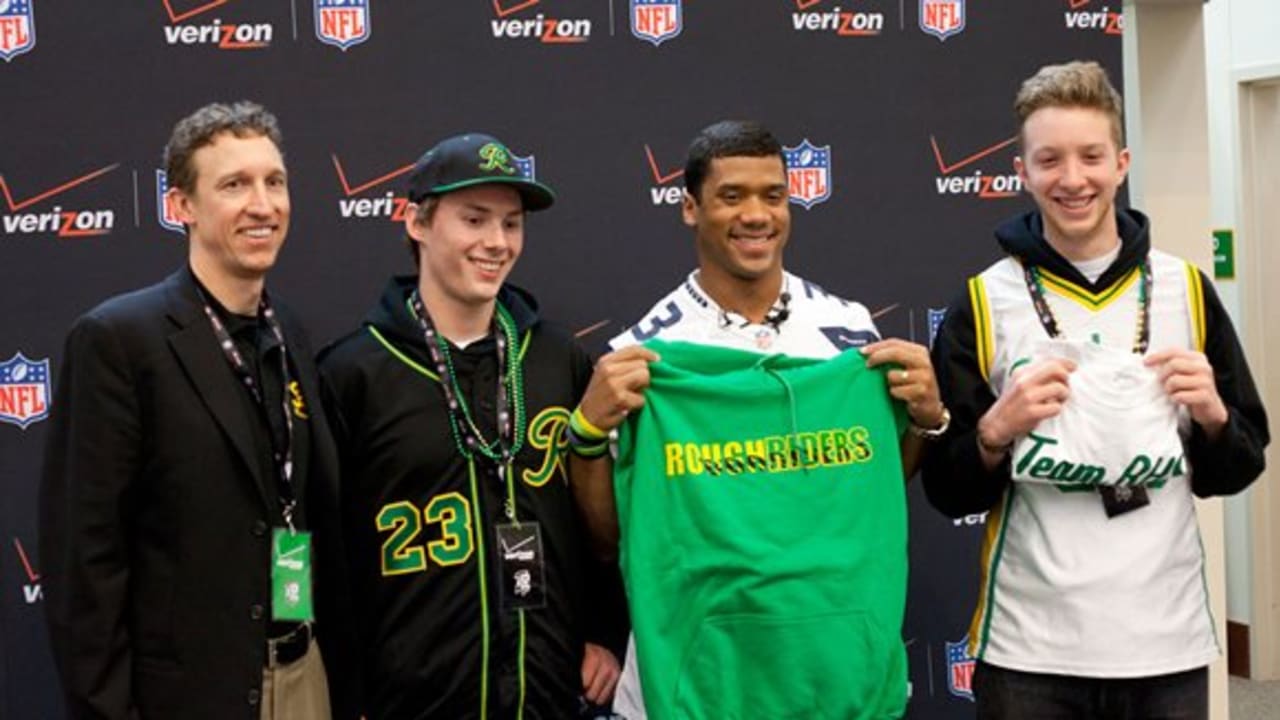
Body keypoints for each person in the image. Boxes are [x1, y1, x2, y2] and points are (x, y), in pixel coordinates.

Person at [921, 61, 1270, 719]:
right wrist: (996, 431)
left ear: (1122, 162)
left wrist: (1216, 417)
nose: (1072, 178)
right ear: (1023, 171)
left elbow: (1242, 464)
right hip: (1030, 649)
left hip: (1166, 641)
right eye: (1049, 159)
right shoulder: (982, 301)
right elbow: (944, 488)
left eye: (1091, 156)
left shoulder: (1186, 289)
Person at [567, 120, 949, 719]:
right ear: (690, 208)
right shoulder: (644, 354)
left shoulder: (848, 335)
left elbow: (868, 486)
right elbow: (609, 536)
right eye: (732, 196)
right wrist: (586, 434)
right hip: (693, 687)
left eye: (773, 195)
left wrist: (927, 422)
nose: (756, 214)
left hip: (830, 679)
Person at [39, 101, 355, 720]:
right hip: (186, 697)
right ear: (181, 205)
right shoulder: (120, 339)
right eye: (234, 185)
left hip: (304, 674)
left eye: (275, 182)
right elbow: (86, 560)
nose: (263, 205)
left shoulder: (288, 329)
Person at [317, 132, 624, 719]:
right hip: (410, 700)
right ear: (417, 223)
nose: (497, 242)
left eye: (511, 224)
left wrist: (606, 631)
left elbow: (600, 516)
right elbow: (318, 552)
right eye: (474, 219)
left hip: (547, 695)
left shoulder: (558, 358)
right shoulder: (353, 373)